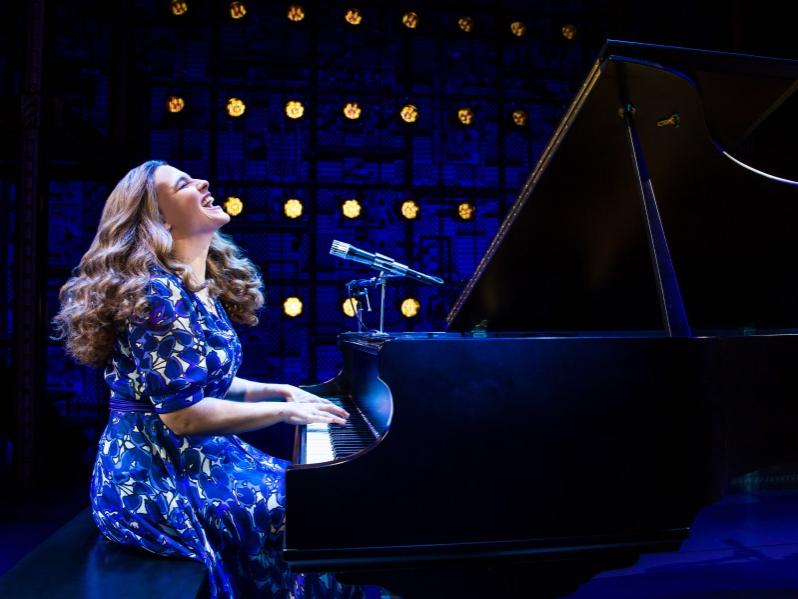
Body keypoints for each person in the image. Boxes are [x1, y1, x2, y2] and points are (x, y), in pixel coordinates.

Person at [53, 160, 391, 598]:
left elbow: (203, 381)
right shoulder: (156, 294)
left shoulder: (195, 286)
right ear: (159, 217)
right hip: (154, 473)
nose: (203, 182)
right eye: (183, 184)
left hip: (199, 457)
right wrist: (284, 410)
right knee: (306, 508)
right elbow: (184, 415)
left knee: (317, 496)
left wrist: (277, 389)